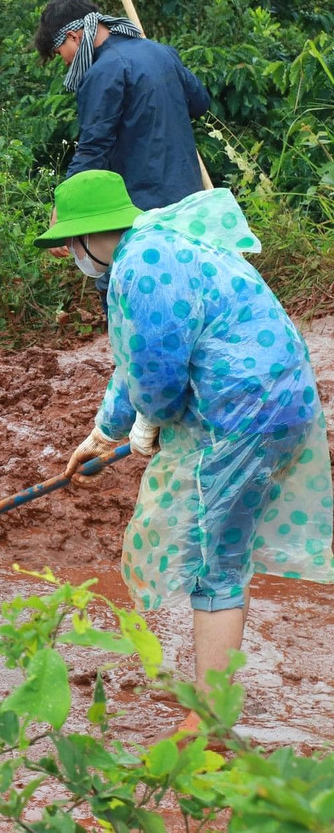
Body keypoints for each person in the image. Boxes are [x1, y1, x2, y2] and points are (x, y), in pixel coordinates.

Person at [42, 169, 334, 738]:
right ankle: (214, 707)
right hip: (276, 401)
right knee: (222, 552)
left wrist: (150, 417)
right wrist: (104, 433)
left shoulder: (141, 265)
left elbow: (156, 375)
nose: (71, 258)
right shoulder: (157, 241)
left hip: (241, 414)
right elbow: (137, 356)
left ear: (81, 238)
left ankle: (211, 722)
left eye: (67, 246)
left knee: (215, 564)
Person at [33, 0, 211, 296]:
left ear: (74, 37)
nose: (63, 61)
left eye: (59, 50)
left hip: (137, 206)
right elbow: (200, 103)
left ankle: (140, 344)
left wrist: (62, 208)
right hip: (187, 197)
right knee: (189, 280)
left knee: (120, 287)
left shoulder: (102, 73)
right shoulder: (160, 53)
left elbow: (93, 148)